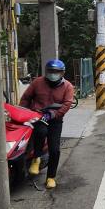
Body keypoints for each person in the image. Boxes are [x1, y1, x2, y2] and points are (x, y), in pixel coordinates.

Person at [20, 59, 75, 190]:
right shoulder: (37, 82)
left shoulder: (68, 86)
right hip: (38, 116)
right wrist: (23, 112)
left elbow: (67, 104)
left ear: (62, 73)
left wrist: (53, 114)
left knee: (55, 149)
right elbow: (26, 98)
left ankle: (51, 177)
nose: (53, 74)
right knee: (41, 131)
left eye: (56, 72)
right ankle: (36, 158)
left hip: (55, 119)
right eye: (50, 71)